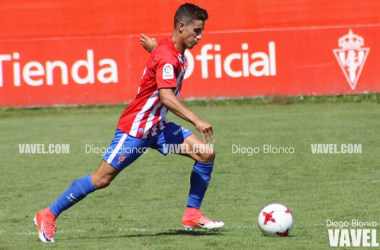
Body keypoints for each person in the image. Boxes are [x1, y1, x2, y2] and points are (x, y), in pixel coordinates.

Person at [34, 3, 224, 243]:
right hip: (136, 129)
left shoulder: (170, 51)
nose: (200, 36)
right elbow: (166, 96)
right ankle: (48, 214)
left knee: (205, 154)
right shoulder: (168, 55)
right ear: (181, 26)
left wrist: (155, 50)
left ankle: (192, 214)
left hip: (159, 127)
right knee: (102, 179)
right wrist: (197, 120)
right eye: (196, 30)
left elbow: (164, 60)